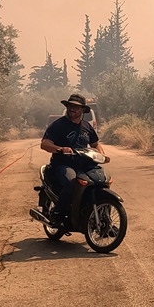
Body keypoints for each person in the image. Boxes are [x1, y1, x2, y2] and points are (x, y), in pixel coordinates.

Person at [40, 93, 110, 224]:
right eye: (70, 106)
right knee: (73, 182)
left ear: (83, 110)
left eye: (76, 107)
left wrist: (103, 155)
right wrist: (60, 148)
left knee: (102, 181)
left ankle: (105, 220)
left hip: (84, 164)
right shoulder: (58, 125)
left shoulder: (86, 126)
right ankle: (58, 213)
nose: (72, 109)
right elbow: (44, 143)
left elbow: (96, 144)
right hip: (63, 165)